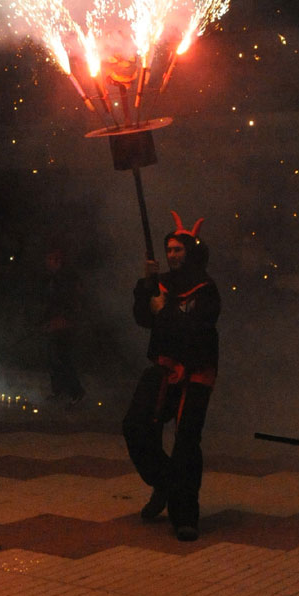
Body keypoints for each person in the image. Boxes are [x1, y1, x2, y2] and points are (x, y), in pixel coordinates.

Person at [122, 212, 220, 542]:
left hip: (196, 372)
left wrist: (163, 309)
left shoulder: (206, 290)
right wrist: (145, 289)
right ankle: (163, 482)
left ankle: (185, 515)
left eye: (179, 250)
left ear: (191, 252)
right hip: (164, 367)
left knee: (186, 443)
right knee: (135, 426)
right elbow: (143, 319)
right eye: (171, 249)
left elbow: (195, 328)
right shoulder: (159, 283)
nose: (173, 255)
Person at [40, 248, 85, 404]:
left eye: (50, 259)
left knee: (63, 358)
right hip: (55, 323)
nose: (47, 262)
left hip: (65, 324)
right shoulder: (55, 278)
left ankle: (75, 392)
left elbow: (72, 302)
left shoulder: (67, 278)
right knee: (54, 358)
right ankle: (59, 391)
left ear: (58, 260)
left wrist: (63, 320)